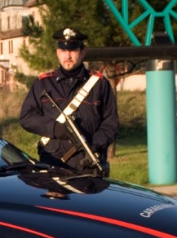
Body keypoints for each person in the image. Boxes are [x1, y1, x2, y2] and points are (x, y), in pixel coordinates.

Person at [19, 27, 118, 175]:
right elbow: (26, 117)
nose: (68, 56)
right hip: (53, 164)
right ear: (58, 53)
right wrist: (54, 129)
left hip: (88, 165)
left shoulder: (99, 84)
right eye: (63, 51)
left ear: (82, 52)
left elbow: (111, 124)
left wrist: (93, 145)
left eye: (73, 50)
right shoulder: (44, 83)